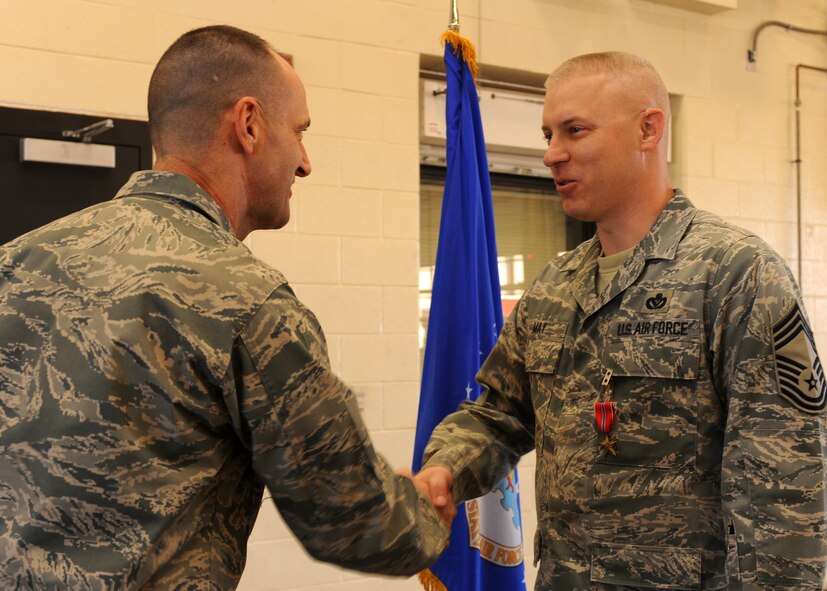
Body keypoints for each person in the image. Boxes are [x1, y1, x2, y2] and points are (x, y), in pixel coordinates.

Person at [0, 25, 447, 589]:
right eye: (299, 131)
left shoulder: (14, 260)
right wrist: (424, 513)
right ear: (250, 124)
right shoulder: (246, 301)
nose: (305, 162)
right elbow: (354, 521)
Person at [415, 51, 827, 589]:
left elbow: (784, 487)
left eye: (575, 131)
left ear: (648, 130)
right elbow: (498, 416)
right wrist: (444, 470)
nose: (551, 155)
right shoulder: (555, 286)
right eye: (548, 135)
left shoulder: (735, 273)